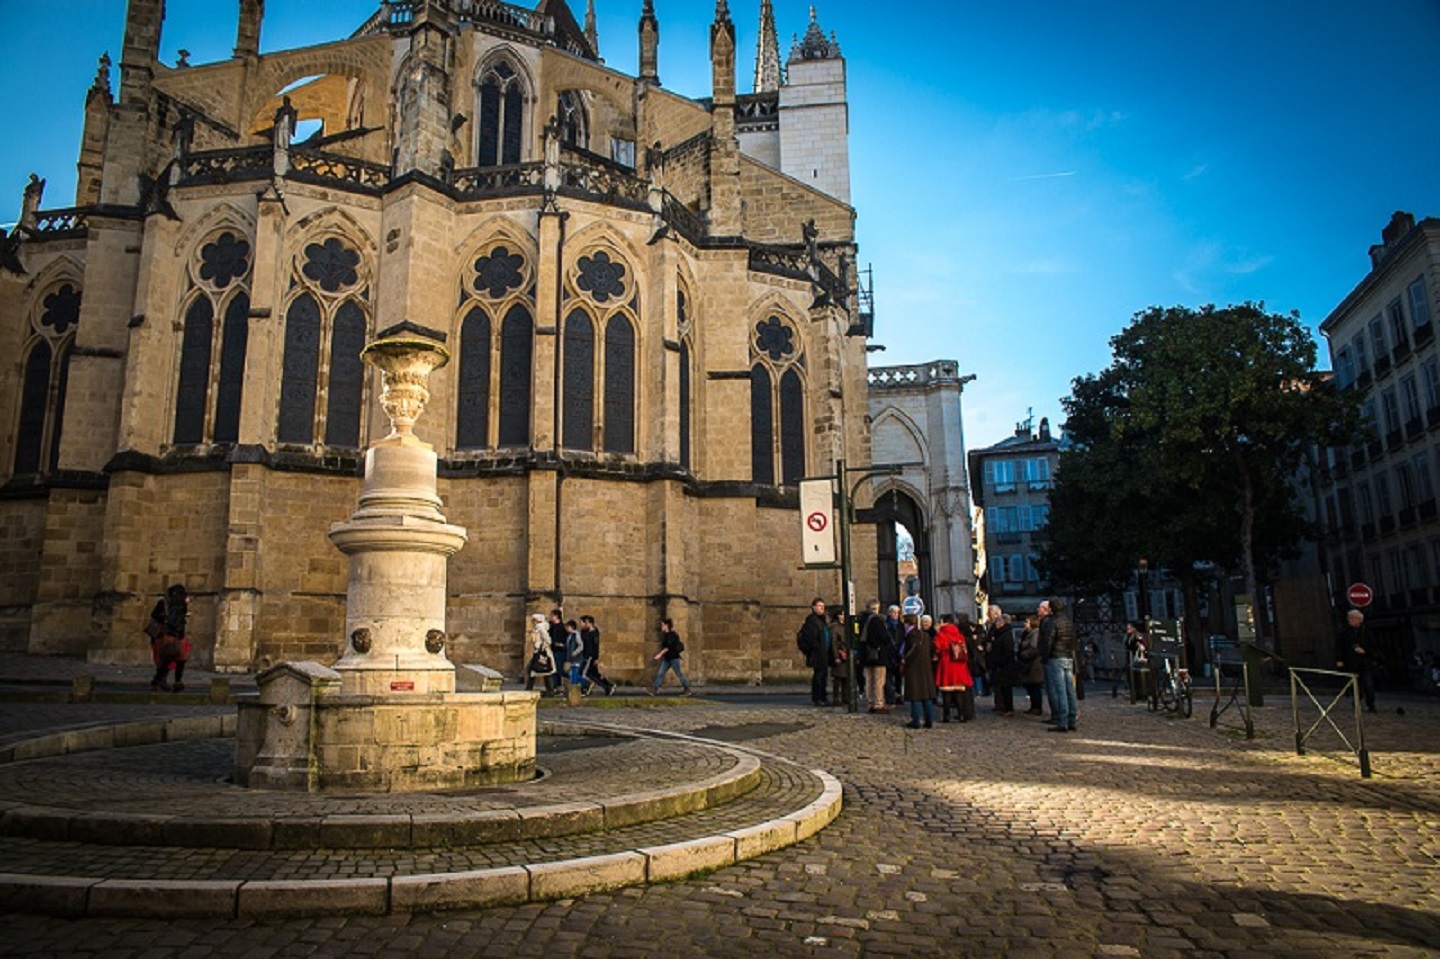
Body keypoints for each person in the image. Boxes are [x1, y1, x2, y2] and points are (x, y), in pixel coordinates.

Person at [1040, 597, 1078, 732]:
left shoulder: (1053, 622)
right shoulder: (1068, 621)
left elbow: (1048, 641)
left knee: (1060, 689)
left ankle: (1062, 721)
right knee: (1070, 690)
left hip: (1056, 657)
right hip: (1067, 656)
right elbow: (1074, 639)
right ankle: (1072, 719)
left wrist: (1045, 656)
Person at [147, 584, 192, 692]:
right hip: (169, 635)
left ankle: (164, 681)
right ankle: (164, 681)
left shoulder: (174, 604)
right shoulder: (170, 605)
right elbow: (172, 619)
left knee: (175, 660)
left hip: (173, 635)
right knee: (172, 659)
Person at [934, 613, 974, 723]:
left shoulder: (941, 635)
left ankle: (946, 716)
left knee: (946, 692)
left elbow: (937, 648)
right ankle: (961, 715)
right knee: (959, 692)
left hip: (947, 665)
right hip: (960, 666)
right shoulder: (959, 634)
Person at [1336, 608, 1377, 713]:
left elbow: (1374, 646)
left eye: (1353, 618)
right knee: (1355, 686)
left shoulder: (1366, 632)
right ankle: (1357, 703)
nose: (1350, 620)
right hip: (1351, 663)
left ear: (1359, 619)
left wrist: (1365, 651)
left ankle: (1371, 705)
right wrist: (1340, 660)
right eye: (1349, 618)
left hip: (1365, 662)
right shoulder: (1344, 633)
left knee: (1368, 685)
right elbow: (1340, 647)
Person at [902, 612, 937, 729]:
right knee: (926, 695)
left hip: (913, 668)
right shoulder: (925, 635)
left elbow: (906, 652)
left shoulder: (909, 636)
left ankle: (916, 720)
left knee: (915, 695)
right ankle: (929, 720)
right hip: (926, 668)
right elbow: (933, 649)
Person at [797, 598, 832, 706]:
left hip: (824, 652)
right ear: (813, 607)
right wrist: (816, 648)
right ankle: (818, 698)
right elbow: (810, 638)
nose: (822, 608)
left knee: (823, 676)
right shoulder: (812, 620)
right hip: (817, 653)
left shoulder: (822, 620)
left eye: (823, 606)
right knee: (819, 676)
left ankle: (823, 697)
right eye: (819, 606)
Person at [984, 606, 1016, 716]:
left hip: (1004, 665)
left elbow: (1007, 650)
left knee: (1006, 688)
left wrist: (999, 661)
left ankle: (1008, 708)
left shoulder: (1005, 634)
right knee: (1001, 687)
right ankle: (1003, 706)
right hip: (1000, 665)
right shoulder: (1000, 633)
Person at [861, 600, 892, 713]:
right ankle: (878, 703)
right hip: (878, 655)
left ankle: (870, 702)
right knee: (878, 680)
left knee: (869, 680)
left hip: (866, 654)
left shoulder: (862, 620)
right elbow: (884, 637)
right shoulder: (877, 621)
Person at [650, 617, 692, 695]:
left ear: (667, 626)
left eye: (663, 625)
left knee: (679, 673)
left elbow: (667, 648)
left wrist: (659, 654)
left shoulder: (671, 635)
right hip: (667, 658)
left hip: (673, 658)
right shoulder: (667, 635)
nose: (661, 627)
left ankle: (687, 689)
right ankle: (655, 690)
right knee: (660, 673)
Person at [579, 615, 615, 695]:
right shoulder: (584, 632)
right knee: (593, 673)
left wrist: (596, 658)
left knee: (584, 673)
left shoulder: (594, 633)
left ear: (588, 623)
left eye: (582, 623)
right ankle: (607, 685)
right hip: (585, 655)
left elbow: (596, 646)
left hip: (590, 656)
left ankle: (585, 688)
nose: (581, 625)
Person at [1018, 614, 1045, 715]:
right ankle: (1033, 706)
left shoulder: (1035, 633)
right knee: (1030, 686)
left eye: (1027, 622)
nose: (1025, 624)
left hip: (1034, 664)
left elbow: (1034, 648)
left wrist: (1024, 654)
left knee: (1035, 686)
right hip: (1027, 663)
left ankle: (1037, 707)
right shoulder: (1026, 633)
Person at [524, 613, 557, 694]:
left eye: (534, 620)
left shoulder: (541, 628)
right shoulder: (537, 628)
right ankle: (531, 687)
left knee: (543, 669)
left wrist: (542, 647)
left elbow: (548, 640)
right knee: (536, 669)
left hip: (542, 652)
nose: (533, 622)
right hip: (538, 652)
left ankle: (549, 689)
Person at [547, 608, 568, 695]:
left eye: (552, 615)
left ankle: (577, 680)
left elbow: (565, 640)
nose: (550, 617)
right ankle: (556, 687)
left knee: (559, 670)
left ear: (556, 616)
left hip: (560, 651)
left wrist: (561, 644)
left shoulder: (562, 627)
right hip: (553, 650)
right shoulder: (551, 626)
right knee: (554, 670)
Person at [564, 619, 587, 696]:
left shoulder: (576, 635)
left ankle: (584, 684)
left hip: (576, 658)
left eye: (568, 627)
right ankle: (584, 684)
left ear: (571, 627)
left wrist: (575, 653)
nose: (567, 629)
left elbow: (581, 645)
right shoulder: (569, 636)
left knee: (574, 676)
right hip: (571, 659)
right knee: (572, 675)